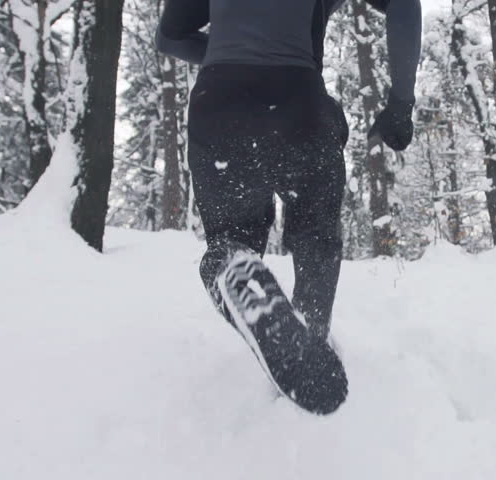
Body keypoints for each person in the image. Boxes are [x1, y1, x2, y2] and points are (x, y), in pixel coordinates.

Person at [155, 0, 421, 412]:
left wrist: (236, 50)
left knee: (232, 240)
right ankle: (308, 340)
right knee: (316, 239)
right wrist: (401, 103)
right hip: (299, 103)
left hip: (220, 102)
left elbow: (170, 36)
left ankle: (232, 265)